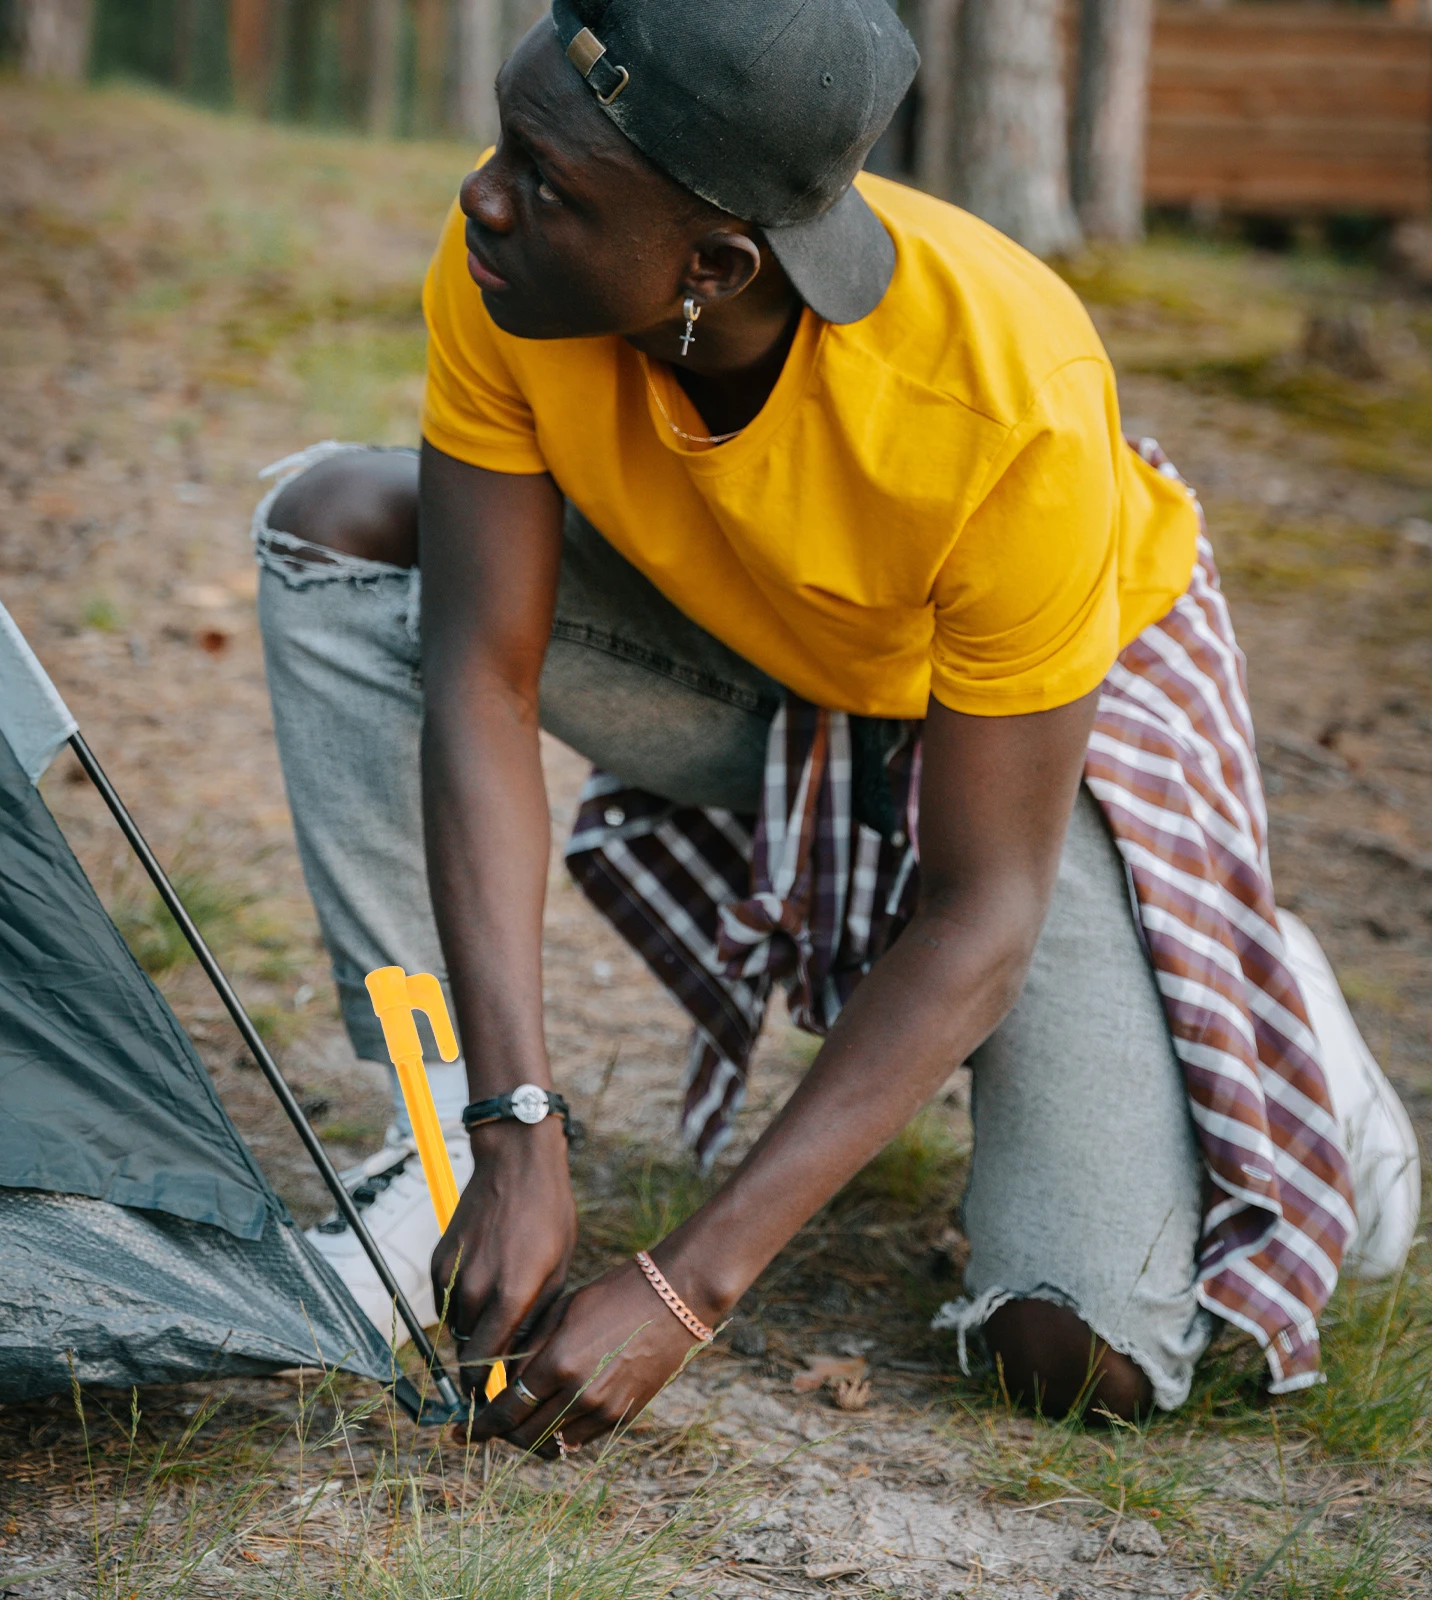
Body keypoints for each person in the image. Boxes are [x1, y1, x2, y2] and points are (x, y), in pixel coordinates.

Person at [252, 0, 1389, 1453]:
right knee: (341, 530)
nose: (484, 195)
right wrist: (509, 1119)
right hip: (764, 657)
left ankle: (1267, 1002)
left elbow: (984, 908)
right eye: (503, 144)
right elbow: (484, 678)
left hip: (1041, 736)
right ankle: (427, 1158)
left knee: (1075, 1357)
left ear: (714, 266)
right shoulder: (510, 264)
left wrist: (685, 1285)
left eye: (545, 180)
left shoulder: (1010, 401)